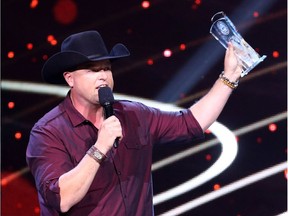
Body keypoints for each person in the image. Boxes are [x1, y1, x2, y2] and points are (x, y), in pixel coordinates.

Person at [26, 30, 242, 215]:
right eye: (93, 70)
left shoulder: (133, 115)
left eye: (107, 68)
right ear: (69, 79)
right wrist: (100, 147)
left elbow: (191, 122)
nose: (103, 76)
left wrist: (229, 77)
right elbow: (61, 199)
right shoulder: (48, 132)